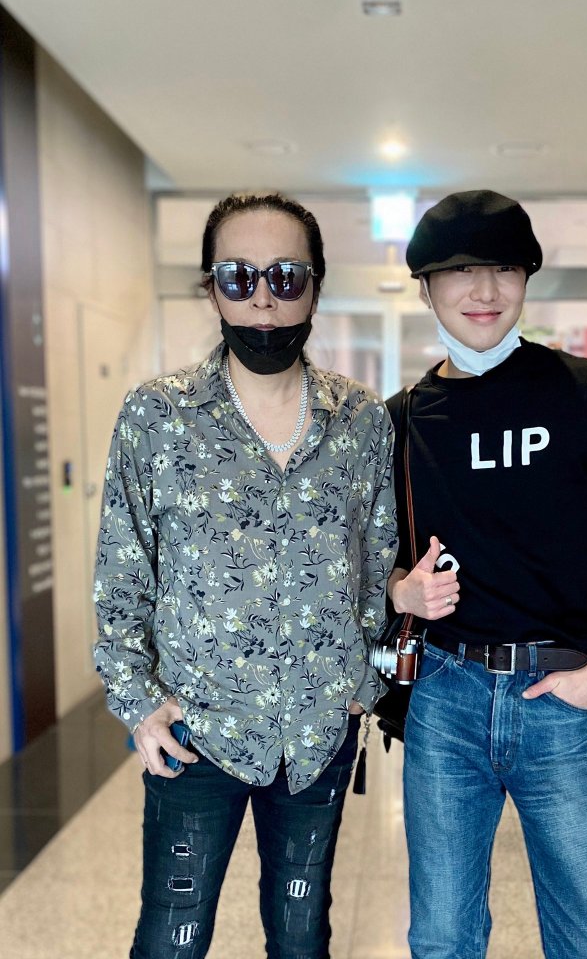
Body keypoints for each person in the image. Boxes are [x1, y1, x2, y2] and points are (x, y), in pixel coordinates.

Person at [387, 189, 587, 959]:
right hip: (444, 698)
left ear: (527, 279)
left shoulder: (585, 394)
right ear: (425, 288)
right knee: (441, 940)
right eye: (458, 270)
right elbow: (366, 563)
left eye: (503, 267)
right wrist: (399, 591)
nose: (483, 289)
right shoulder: (402, 419)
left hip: (559, 698)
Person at [93, 192, 398, 959]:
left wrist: (367, 678)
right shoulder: (158, 416)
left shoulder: (362, 421)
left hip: (317, 734)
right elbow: (122, 571)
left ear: (315, 288)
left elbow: (376, 563)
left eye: (286, 276)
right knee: (171, 937)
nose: (263, 297)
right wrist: (138, 704)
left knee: (301, 938)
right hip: (195, 730)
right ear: (212, 289)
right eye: (238, 276)